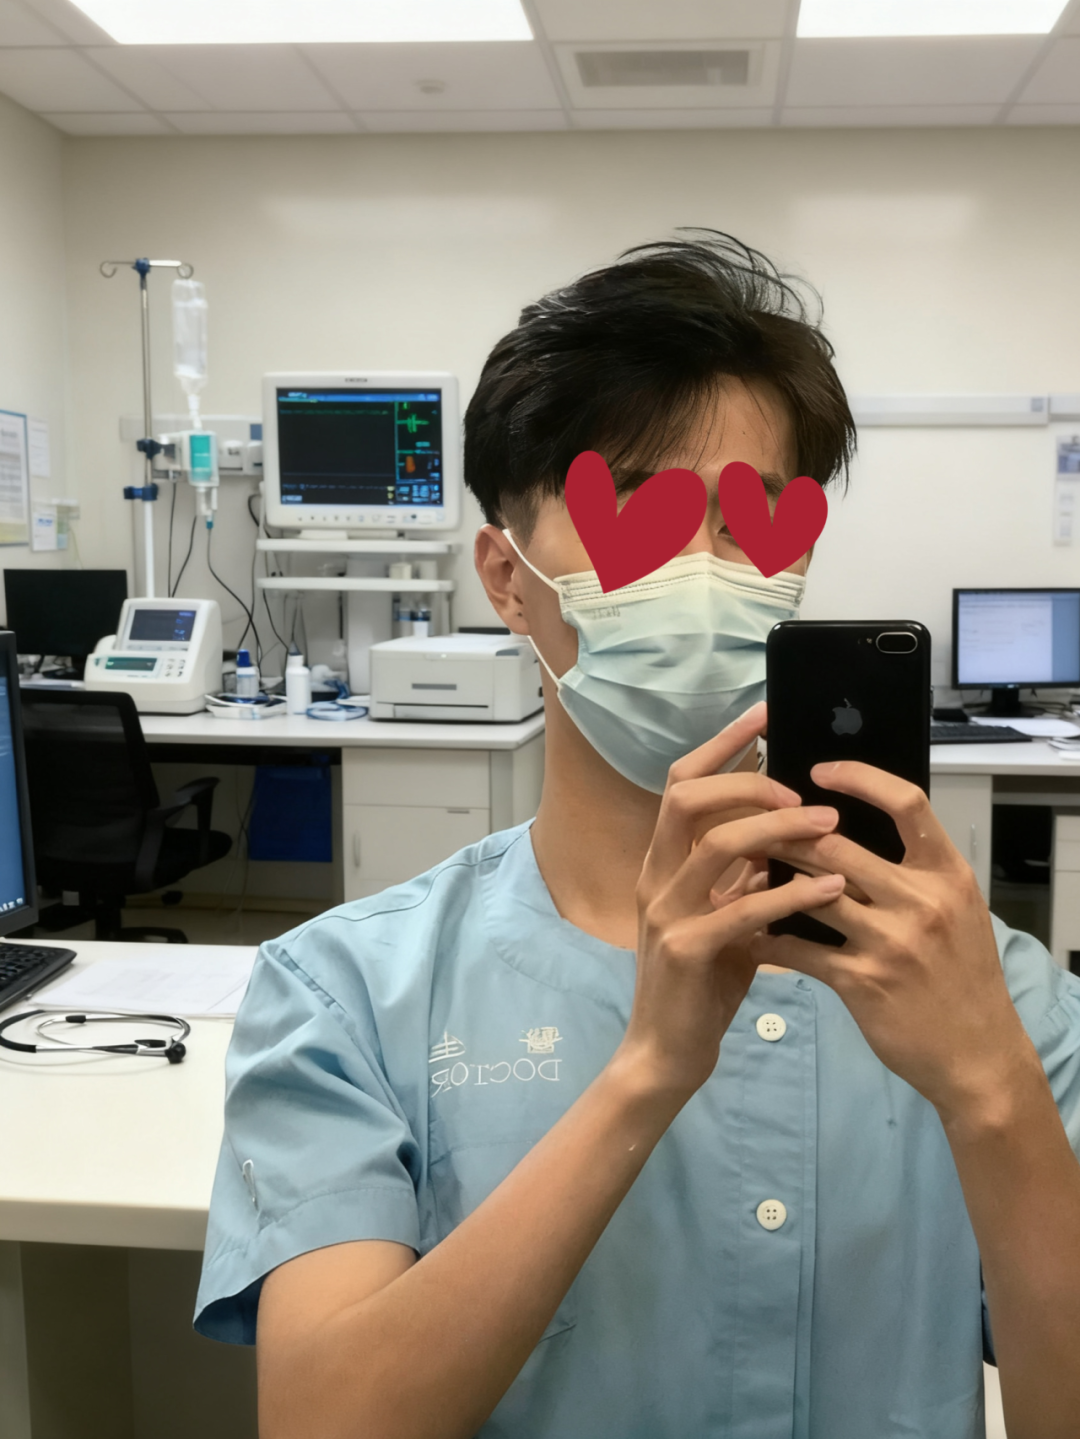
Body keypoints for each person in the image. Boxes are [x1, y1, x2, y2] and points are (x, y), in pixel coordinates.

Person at [195, 232, 1080, 1439]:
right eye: (635, 509)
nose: (704, 572)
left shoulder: (992, 992)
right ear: (507, 579)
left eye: (750, 522)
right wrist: (646, 1072)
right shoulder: (350, 994)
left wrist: (992, 1093)